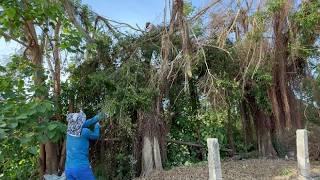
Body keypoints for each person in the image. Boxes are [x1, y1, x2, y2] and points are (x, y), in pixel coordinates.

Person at [65, 111, 105, 180]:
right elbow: (96, 135)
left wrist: (97, 117)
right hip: (81, 168)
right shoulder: (85, 132)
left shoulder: (69, 131)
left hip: (68, 169)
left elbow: (84, 124)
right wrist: (97, 126)